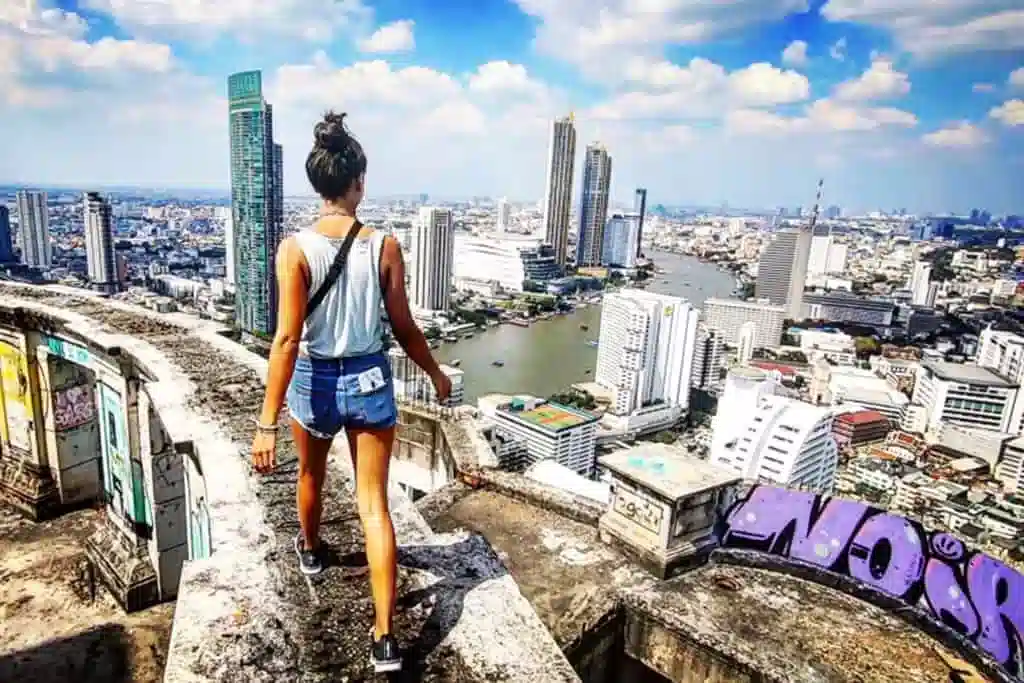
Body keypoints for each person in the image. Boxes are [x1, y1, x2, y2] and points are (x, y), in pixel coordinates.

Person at [250, 111, 451, 674]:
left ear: (318, 185)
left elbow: (288, 337)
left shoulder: (294, 249)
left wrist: (266, 423)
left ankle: (311, 551)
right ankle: (386, 636)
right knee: (373, 505)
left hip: (314, 376)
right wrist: (435, 374)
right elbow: (404, 326)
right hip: (369, 378)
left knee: (310, 474)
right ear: (358, 181)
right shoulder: (383, 245)